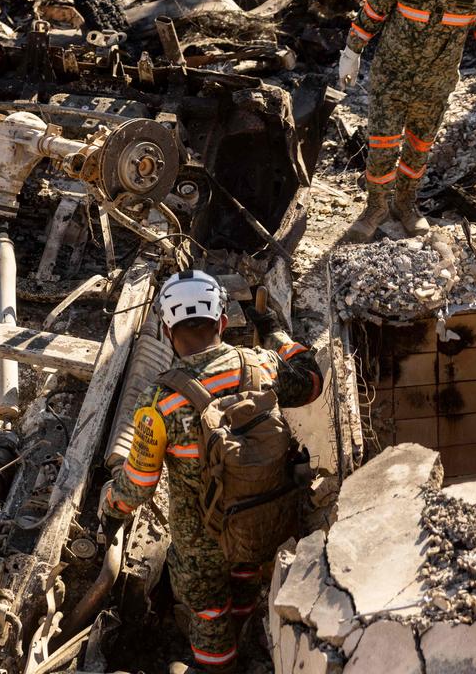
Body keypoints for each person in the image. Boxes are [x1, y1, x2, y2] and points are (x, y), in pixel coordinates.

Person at [101, 270, 322, 673]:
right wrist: (272, 331)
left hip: (200, 541)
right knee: (245, 575)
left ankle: (218, 664)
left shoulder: (160, 401)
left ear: (168, 331)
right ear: (222, 321)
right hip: (260, 520)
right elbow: (310, 379)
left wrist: (110, 508)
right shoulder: (262, 366)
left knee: (207, 614)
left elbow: (139, 485)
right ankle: (245, 620)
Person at [337, 0, 476, 242]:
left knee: (418, 148)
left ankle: (405, 204)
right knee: (382, 146)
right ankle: (375, 208)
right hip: (390, 79)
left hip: (435, 85)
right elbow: (372, 13)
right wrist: (351, 52)